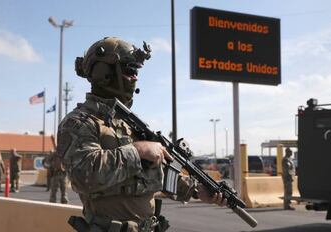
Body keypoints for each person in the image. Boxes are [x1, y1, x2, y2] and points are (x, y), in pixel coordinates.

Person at [57, 37, 227, 232]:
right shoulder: (80, 122)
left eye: (136, 71)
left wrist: (195, 190)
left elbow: (155, 175)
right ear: (104, 73)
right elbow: (83, 175)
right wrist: (138, 150)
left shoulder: (127, 124)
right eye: (130, 70)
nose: (135, 77)